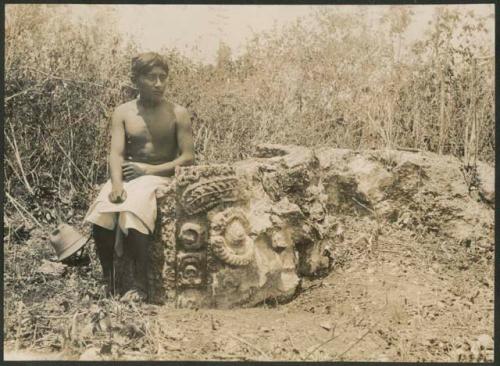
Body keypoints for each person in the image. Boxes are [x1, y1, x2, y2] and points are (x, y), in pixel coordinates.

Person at [85, 52, 195, 301]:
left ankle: (140, 286)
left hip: (160, 175)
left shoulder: (178, 113)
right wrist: (115, 185)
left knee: (132, 208)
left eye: (162, 78)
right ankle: (110, 282)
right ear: (136, 80)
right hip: (128, 177)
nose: (158, 84)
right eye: (151, 77)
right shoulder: (123, 112)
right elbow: (116, 153)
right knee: (102, 210)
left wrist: (149, 170)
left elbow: (188, 158)